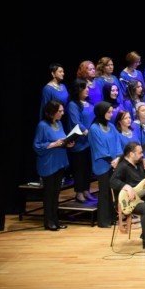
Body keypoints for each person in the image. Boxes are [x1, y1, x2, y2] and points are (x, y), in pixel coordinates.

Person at [33, 100, 72, 231]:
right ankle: (48, 221)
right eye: (59, 111)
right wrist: (54, 144)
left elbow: (62, 139)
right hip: (48, 164)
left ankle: (55, 220)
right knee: (49, 194)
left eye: (62, 110)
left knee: (56, 194)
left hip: (59, 162)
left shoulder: (59, 123)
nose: (62, 113)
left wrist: (67, 143)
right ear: (51, 113)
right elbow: (37, 146)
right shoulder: (42, 125)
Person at [89, 101, 122, 228]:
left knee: (113, 191)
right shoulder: (94, 129)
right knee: (104, 192)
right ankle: (103, 221)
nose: (111, 114)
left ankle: (112, 217)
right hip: (103, 164)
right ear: (102, 113)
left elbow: (118, 143)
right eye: (109, 112)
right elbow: (99, 148)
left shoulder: (112, 127)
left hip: (114, 162)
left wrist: (118, 158)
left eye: (111, 111)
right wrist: (111, 161)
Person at [66, 79, 96, 203]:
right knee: (79, 167)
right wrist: (86, 132)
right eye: (84, 88)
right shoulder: (73, 104)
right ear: (78, 90)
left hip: (89, 142)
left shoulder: (89, 103)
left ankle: (86, 190)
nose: (87, 90)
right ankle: (79, 192)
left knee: (87, 167)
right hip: (79, 141)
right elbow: (75, 122)